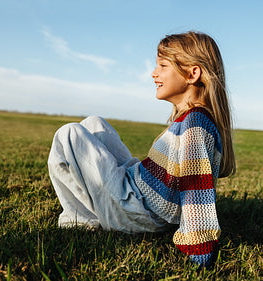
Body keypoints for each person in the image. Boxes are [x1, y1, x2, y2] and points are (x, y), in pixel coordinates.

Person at [47, 31, 236, 267]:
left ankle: (83, 220)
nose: (154, 73)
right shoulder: (191, 118)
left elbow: (195, 187)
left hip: (137, 209)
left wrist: (199, 248)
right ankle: (92, 209)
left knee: (69, 134)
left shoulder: (195, 124)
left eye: (163, 66)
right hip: (138, 185)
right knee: (94, 123)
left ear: (192, 73)